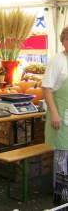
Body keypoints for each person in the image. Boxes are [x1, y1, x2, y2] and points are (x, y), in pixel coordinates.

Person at [42, 26, 68, 203]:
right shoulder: (57, 61)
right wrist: (55, 115)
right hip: (60, 114)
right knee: (62, 157)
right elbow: (46, 89)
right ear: (63, 41)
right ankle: (61, 196)